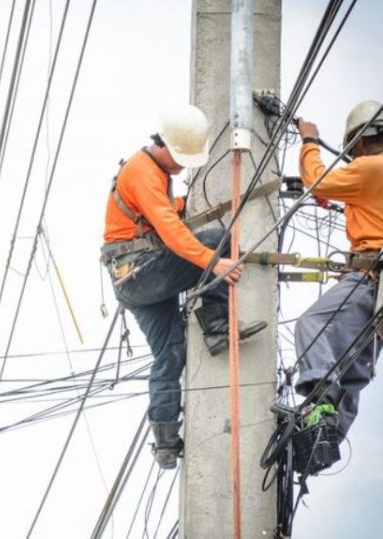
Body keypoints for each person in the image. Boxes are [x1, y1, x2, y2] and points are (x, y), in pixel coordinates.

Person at [101, 104, 266, 470]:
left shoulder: (152, 173)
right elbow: (172, 232)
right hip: (141, 273)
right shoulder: (143, 172)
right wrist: (213, 261)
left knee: (171, 354)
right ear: (162, 146)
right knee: (216, 238)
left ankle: (164, 442)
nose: (181, 165)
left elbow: (160, 213)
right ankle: (216, 325)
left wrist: (179, 204)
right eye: (179, 158)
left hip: (133, 281)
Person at [293, 101, 383, 451]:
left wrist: (310, 141)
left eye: (353, 152)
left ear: (362, 142)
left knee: (312, 326)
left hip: (371, 277)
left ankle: (319, 404)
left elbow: (317, 182)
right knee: (354, 363)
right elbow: (375, 209)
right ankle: (326, 443)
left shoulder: (372, 168)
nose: (353, 158)